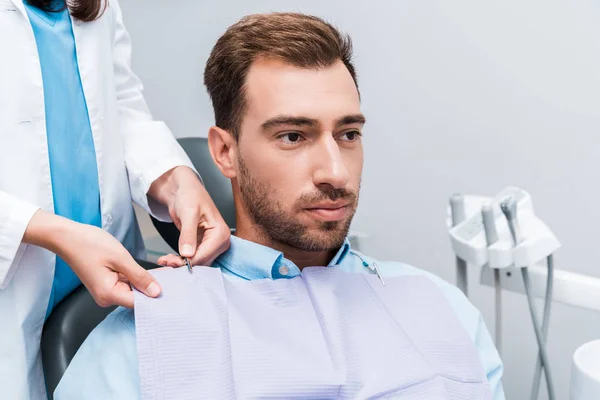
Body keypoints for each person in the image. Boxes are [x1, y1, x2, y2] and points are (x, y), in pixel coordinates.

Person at [54, 12, 505, 399]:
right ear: (225, 153)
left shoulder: (443, 308)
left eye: (348, 134)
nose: (335, 172)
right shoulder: (147, 335)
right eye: (293, 136)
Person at [0, 0, 230, 398]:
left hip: (106, 273)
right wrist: (51, 231)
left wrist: (175, 180)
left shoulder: (98, 7)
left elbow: (121, 107)